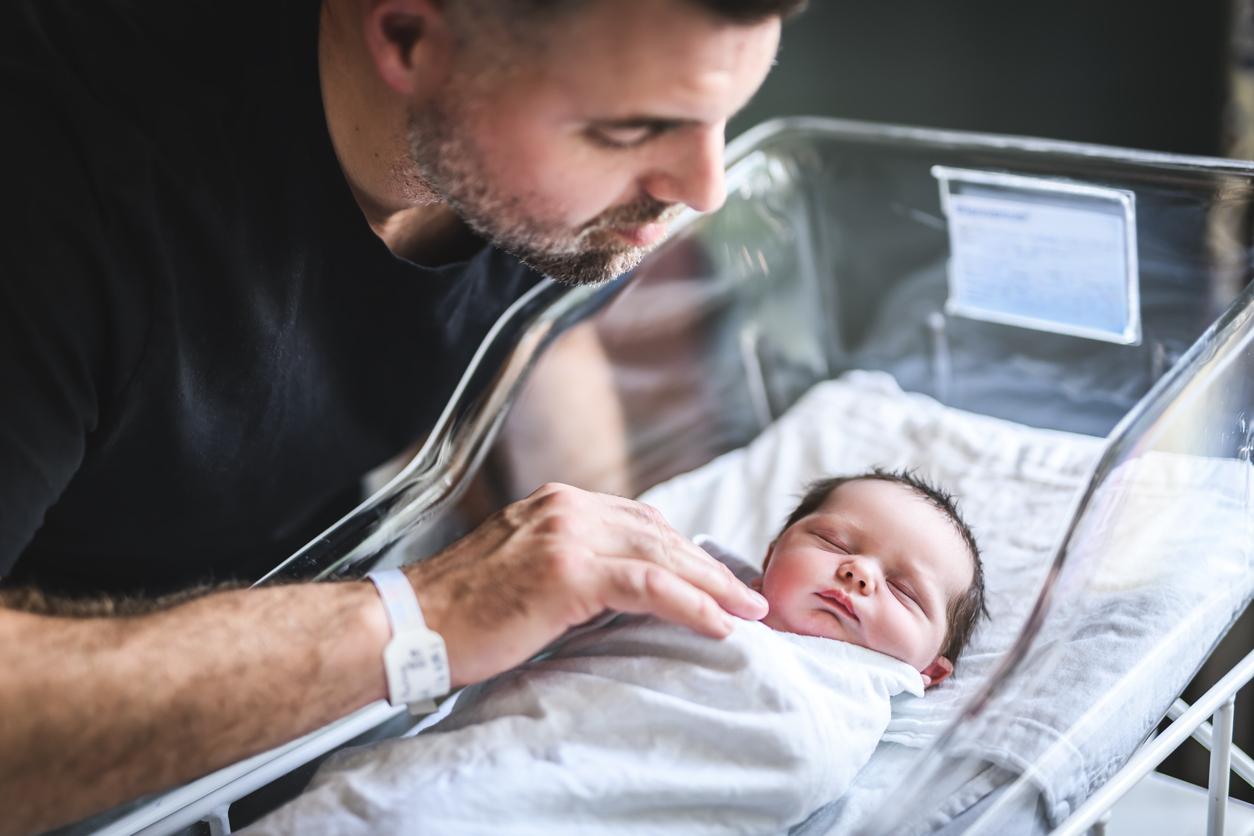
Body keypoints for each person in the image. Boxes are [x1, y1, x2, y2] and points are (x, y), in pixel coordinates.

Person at [0, 0, 805, 831]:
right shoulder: (55, 179)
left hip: (304, 599)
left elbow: (536, 330)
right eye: (631, 131)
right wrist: (427, 619)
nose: (701, 189)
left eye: (723, 116)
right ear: (406, 37)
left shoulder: (538, 177)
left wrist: (607, 579)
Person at [243, 470, 987, 833]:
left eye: (904, 592)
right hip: (448, 776)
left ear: (928, 671)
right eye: (832, 542)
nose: (859, 574)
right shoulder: (677, 582)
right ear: (769, 555)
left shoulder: (837, 709)